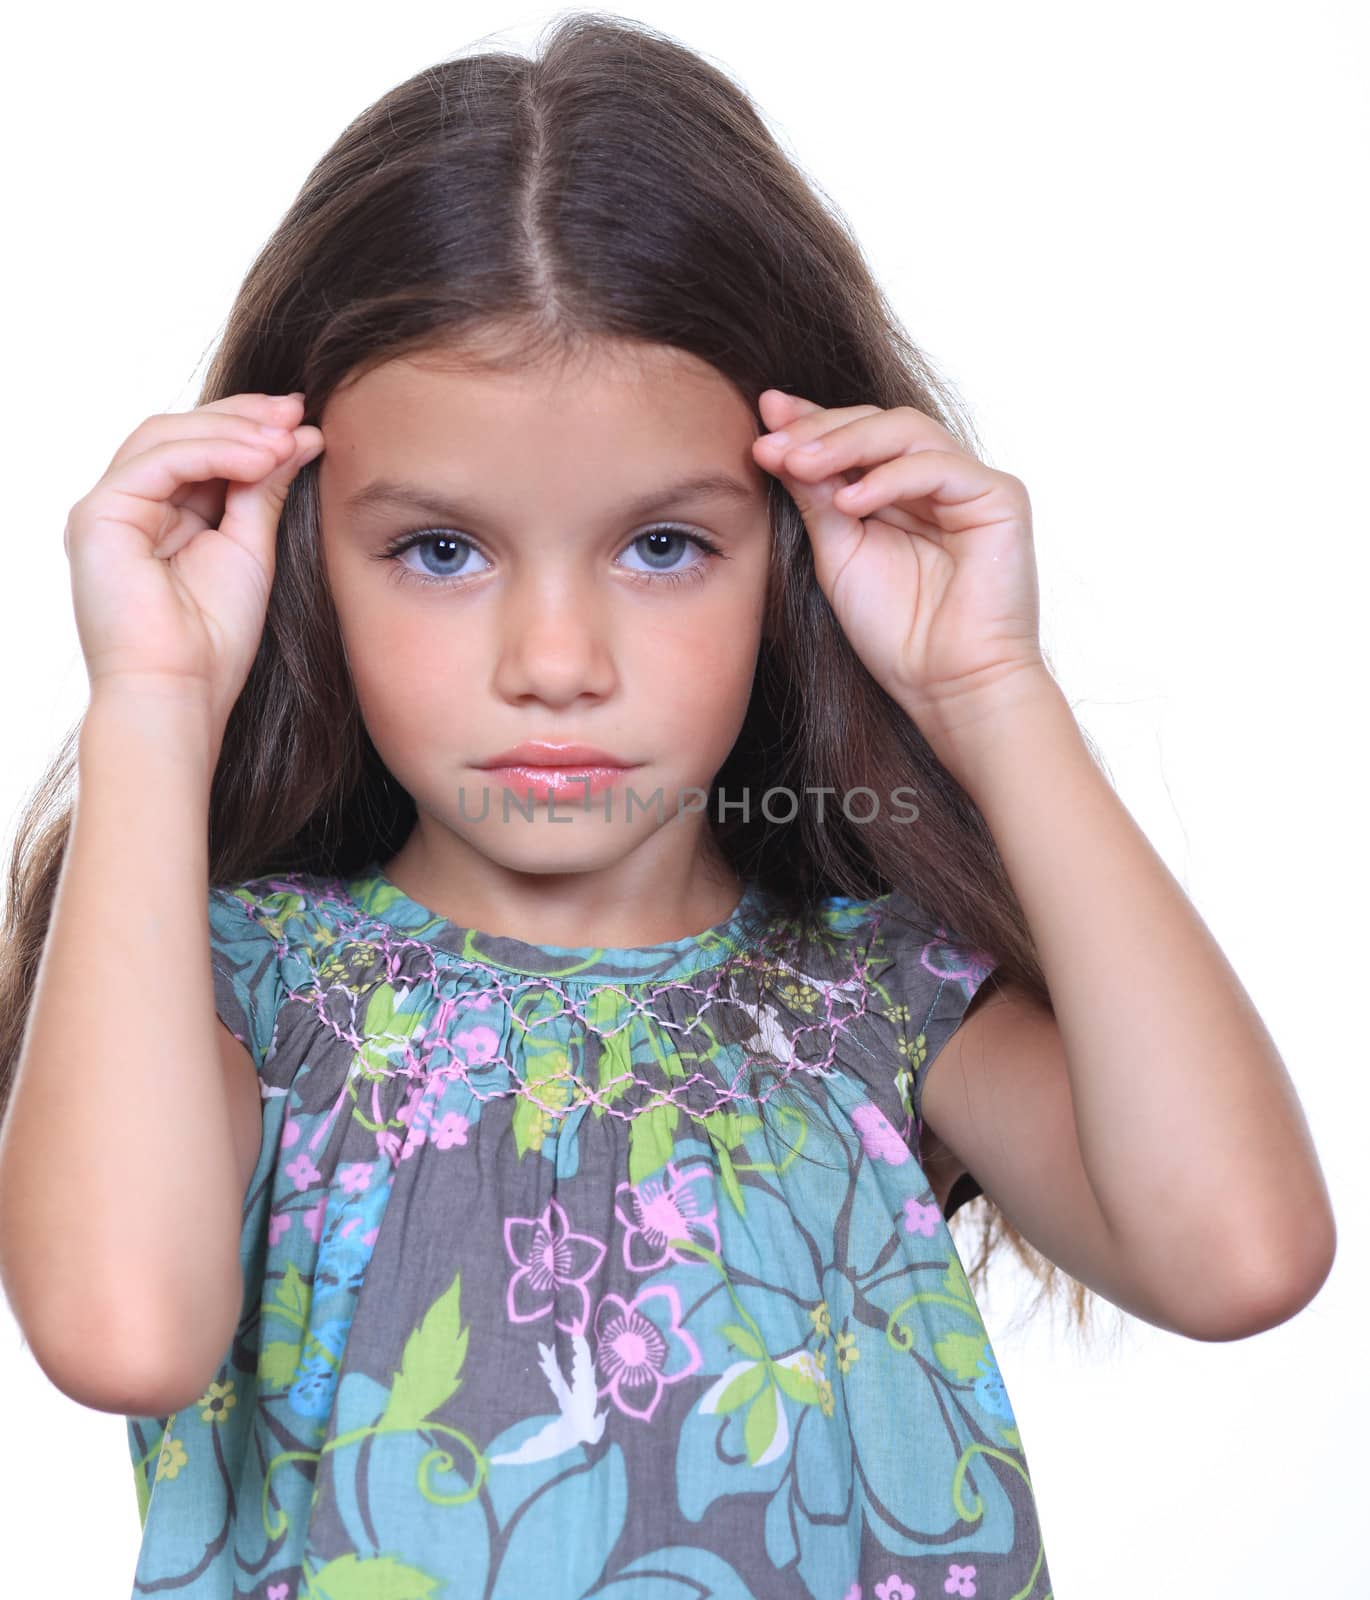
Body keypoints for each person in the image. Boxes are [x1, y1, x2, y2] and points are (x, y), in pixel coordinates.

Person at [0, 13, 1336, 1599]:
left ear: (794, 547)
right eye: (439, 550)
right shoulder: (229, 994)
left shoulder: (866, 995)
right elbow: (122, 1330)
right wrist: (155, 699)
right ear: (301, 555)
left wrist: (988, 689)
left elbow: (1237, 1258)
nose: (553, 663)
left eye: (661, 547)